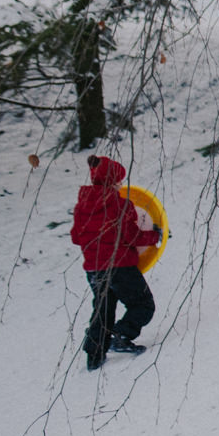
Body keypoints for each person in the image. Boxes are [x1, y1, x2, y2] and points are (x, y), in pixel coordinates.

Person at [71, 156, 161, 371]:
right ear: (112, 182)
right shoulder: (119, 204)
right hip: (120, 266)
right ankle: (120, 335)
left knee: (103, 309)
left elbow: (76, 237)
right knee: (143, 305)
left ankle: (94, 353)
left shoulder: (82, 206)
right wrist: (154, 237)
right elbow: (131, 236)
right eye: (120, 181)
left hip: (94, 268)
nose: (121, 185)